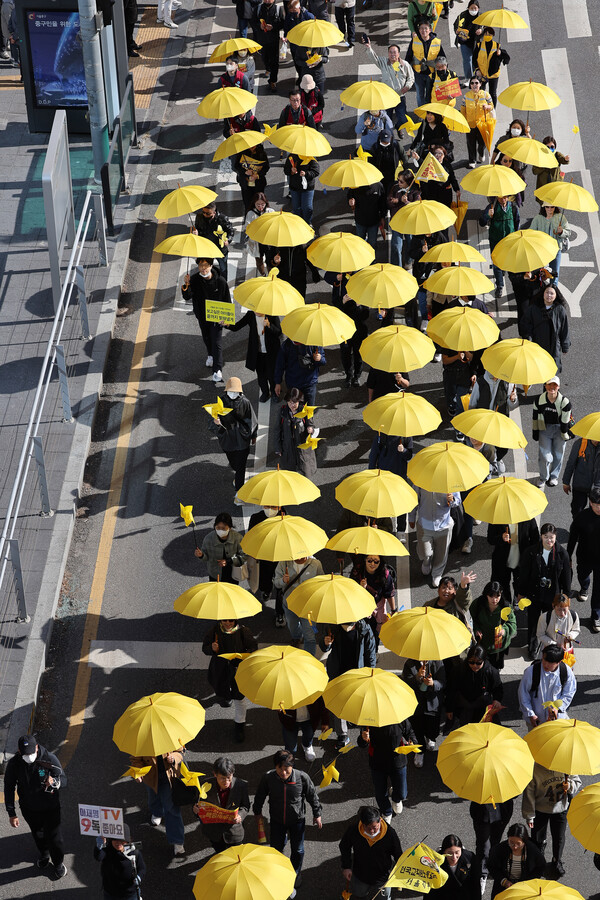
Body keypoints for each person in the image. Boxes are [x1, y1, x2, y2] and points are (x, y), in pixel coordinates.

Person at [252, 749, 322, 892]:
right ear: (275, 767)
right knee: (276, 850)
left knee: (298, 850)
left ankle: (295, 873)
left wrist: (317, 814)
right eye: (280, 769)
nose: (283, 773)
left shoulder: (302, 778)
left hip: (297, 820)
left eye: (287, 769)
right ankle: (278, 873)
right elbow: (260, 795)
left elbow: (312, 796)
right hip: (277, 820)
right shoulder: (268, 778)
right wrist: (257, 811)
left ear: (292, 766)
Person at [4, 735, 67, 878]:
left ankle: (58, 863)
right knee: (38, 834)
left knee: (54, 838)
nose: (29, 756)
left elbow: (63, 779)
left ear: (37, 747)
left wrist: (54, 783)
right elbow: (8, 787)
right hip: (29, 809)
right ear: (19, 751)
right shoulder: (14, 764)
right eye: (25, 754)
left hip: (50, 808)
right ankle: (44, 855)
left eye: (31, 752)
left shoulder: (49, 759)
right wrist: (11, 813)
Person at [320, 620, 377, 748]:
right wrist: (326, 643)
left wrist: (371, 672)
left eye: (350, 627)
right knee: (339, 702)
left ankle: (363, 727)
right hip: (338, 672)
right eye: (344, 626)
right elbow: (324, 645)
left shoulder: (365, 629)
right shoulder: (332, 626)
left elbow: (370, 652)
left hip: (359, 673)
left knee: (360, 701)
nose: (347, 629)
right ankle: (342, 734)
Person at [518, 523, 572, 655]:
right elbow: (523, 574)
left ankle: (549, 644)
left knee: (550, 620)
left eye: (551, 537)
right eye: (545, 537)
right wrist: (521, 592)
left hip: (553, 594)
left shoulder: (562, 553)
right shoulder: (531, 552)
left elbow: (567, 576)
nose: (549, 540)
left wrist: (566, 596)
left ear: (556, 537)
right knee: (533, 619)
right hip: (534, 592)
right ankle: (532, 644)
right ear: (541, 537)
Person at [202, 619, 258, 741]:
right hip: (221, 669)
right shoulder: (214, 630)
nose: (227, 623)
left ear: (235, 620)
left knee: (239, 697)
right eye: (224, 621)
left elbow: (253, 646)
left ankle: (240, 724)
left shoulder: (243, 631)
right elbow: (205, 648)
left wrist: (244, 655)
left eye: (231, 621)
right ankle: (226, 696)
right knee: (221, 688)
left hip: (238, 668)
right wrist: (212, 648)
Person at [523, 763, 581, 880]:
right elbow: (529, 793)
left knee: (559, 837)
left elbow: (577, 781)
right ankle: (539, 860)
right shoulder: (535, 769)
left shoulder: (566, 765)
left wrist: (569, 786)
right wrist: (529, 815)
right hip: (540, 809)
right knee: (538, 838)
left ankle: (556, 860)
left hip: (560, 809)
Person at [181, 257, 232, 383]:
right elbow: (187, 297)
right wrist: (186, 285)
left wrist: (227, 318)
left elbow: (227, 300)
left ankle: (217, 370)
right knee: (207, 338)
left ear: (211, 266)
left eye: (205, 265)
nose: (203, 268)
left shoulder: (220, 281)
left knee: (217, 342)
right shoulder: (194, 280)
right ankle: (210, 355)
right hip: (202, 316)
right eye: (200, 266)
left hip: (216, 317)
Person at [358, 721, 417, 820]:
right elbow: (361, 743)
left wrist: (413, 741)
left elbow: (410, 732)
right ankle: (386, 811)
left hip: (397, 761)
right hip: (378, 762)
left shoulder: (400, 719)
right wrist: (363, 738)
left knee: (402, 793)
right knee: (380, 792)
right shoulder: (369, 721)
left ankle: (396, 799)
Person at [340, 806, 402, 900]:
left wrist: (399, 871)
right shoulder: (354, 830)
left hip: (382, 876)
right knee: (359, 894)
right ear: (362, 823)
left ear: (380, 821)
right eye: (368, 828)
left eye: (375, 827)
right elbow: (344, 846)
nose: (372, 831)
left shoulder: (390, 834)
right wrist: (346, 867)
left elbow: (398, 853)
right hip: (360, 873)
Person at [208, 376, 258, 493]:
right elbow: (212, 423)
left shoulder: (245, 402)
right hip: (227, 440)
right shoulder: (220, 402)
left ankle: (239, 493)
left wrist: (253, 435)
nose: (233, 393)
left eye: (235, 391)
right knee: (234, 464)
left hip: (242, 440)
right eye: (231, 391)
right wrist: (216, 423)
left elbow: (252, 420)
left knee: (240, 468)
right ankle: (238, 478)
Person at [130, 751, 185, 856]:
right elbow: (135, 758)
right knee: (153, 797)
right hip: (150, 777)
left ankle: (177, 841)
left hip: (168, 776)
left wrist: (174, 758)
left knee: (172, 808)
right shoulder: (141, 738)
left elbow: (180, 751)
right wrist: (137, 772)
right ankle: (157, 812)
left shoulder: (170, 734)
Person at [225, 307, 281, 403]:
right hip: (258, 352)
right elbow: (236, 326)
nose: (256, 311)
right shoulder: (250, 315)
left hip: (271, 353)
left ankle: (274, 393)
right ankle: (265, 393)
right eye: (254, 308)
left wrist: (269, 325)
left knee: (271, 374)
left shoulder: (272, 316)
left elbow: (278, 332)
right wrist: (227, 325)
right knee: (261, 375)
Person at [409, 488, 462, 587]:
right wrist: (411, 517)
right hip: (424, 525)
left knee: (442, 553)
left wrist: (452, 500)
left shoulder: (450, 482)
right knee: (426, 552)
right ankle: (426, 561)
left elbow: (458, 501)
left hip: (444, 525)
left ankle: (437, 574)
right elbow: (414, 498)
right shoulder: (421, 479)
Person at [194, 757, 250, 851]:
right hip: (214, 833)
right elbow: (197, 804)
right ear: (215, 774)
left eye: (229, 778)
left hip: (234, 832)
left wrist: (240, 816)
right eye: (222, 778)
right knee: (220, 854)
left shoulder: (240, 786)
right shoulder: (204, 785)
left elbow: (245, 806)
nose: (226, 782)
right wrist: (195, 810)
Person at [273, 554, 324, 655]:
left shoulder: (315, 564)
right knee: (293, 626)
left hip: (309, 607)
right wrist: (283, 580)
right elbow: (276, 582)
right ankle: (296, 638)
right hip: (289, 605)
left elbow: (322, 581)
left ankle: (309, 661)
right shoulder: (283, 563)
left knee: (310, 636)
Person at [518, 644, 577, 728]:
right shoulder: (531, 671)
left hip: (557, 719)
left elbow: (569, 693)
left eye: (550, 662)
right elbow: (523, 694)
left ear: (559, 662)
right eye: (544, 660)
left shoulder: (566, 672)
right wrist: (530, 714)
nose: (546, 664)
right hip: (536, 720)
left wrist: (558, 708)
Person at [402, 658, 445, 768]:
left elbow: (442, 682)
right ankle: (420, 751)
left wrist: (433, 683)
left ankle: (431, 737)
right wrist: (417, 677)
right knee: (417, 728)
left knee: (433, 728)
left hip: (433, 703)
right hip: (416, 703)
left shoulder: (437, 662)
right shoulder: (410, 664)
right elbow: (405, 682)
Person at [567, 485, 600, 628]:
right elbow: (573, 538)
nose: (599, 508)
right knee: (582, 576)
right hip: (584, 557)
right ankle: (584, 587)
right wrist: (568, 557)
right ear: (590, 502)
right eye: (597, 504)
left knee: (599, 590)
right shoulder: (582, 517)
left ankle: (596, 615)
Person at [487, 517, 539, 606]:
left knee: (520, 582)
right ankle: (506, 604)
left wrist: (531, 556)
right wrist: (501, 538)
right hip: (502, 560)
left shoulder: (527, 518)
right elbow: (490, 539)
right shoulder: (497, 518)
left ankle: (517, 598)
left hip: (521, 559)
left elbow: (535, 538)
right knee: (503, 584)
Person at [532, 376, 573, 488]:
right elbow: (535, 417)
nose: (552, 387)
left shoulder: (565, 403)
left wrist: (564, 433)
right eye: (549, 384)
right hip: (544, 429)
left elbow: (565, 421)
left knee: (558, 455)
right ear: (545, 386)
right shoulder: (539, 400)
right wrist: (535, 432)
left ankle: (554, 476)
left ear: (558, 387)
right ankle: (543, 477)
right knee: (544, 456)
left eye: (554, 385)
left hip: (560, 429)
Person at [363, 40, 414, 129]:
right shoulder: (383, 63)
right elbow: (374, 58)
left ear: (399, 54)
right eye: (390, 52)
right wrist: (368, 47)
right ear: (388, 54)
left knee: (403, 119)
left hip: (400, 97)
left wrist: (407, 86)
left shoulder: (405, 65)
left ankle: (399, 128)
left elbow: (411, 78)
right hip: (387, 97)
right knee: (386, 118)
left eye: (394, 52)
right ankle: (388, 132)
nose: (392, 54)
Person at [329, 273, 369, 387]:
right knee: (345, 353)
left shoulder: (363, 294)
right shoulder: (339, 288)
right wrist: (343, 302)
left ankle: (357, 376)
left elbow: (365, 315)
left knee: (358, 354)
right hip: (344, 329)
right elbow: (335, 308)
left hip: (359, 330)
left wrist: (358, 305)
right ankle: (348, 375)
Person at [448, 647, 503, 726]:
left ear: (483, 661)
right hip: (465, 707)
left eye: (478, 663)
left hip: (483, 707)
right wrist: (449, 709)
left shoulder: (491, 671)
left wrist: (497, 700)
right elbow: (451, 689)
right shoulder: (459, 670)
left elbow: (498, 688)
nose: (474, 665)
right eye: (471, 662)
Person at [368, 435, 413, 532]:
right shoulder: (380, 435)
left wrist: (403, 451)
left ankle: (401, 531)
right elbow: (373, 455)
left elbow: (409, 455)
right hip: (384, 477)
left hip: (400, 477)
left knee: (401, 504)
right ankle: (384, 529)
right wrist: (371, 474)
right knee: (382, 503)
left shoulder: (406, 436)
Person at [521, 285, 570, 373]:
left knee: (551, 371)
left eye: (552, 293)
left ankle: (547, 387)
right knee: (537, 368)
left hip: (554, 345)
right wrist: (528, 338)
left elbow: (564, 329)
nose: (549, 295)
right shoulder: (534, 308)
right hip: (537, 343)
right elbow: (526, 324)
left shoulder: (560, 310)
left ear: (556, 295)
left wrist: (565, 346)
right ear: (543, 294)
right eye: (547, 292)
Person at [469, 799, 513, 895]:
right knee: (483, 846)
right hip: (482, 815)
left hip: (501, 814)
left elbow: (515, 795)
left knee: (495, 844)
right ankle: (482, 874)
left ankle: (492, 867)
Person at [470, 581, 516, 670]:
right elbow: (470, 619)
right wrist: (476, 629)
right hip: (482, 644)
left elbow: (513, 624)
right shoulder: (478, 604)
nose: (494, 600)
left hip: (499, 647)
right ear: (486, 595)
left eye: (497, 596)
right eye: (491, 596)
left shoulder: (506, 607)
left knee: (496, 668)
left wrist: (505, 630)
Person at [350, 554, 396, 642]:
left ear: (380, 562)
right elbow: (351, 592)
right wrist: (361, 587)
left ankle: (375, 647)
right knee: (362, 629)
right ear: (365, 560)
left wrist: (393, 610)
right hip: (362, 604)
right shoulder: (358, 572)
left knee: (378, 630)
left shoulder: (385, 574)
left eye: (376, 561)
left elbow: (389, 594)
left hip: (378, 605)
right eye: (369, 561)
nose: (372, 564)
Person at [274, 387, 318, 476]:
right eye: (289, 402)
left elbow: (311, 424)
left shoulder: (305, 411)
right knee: (290, 475)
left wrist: (310, 428)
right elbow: (277, 430)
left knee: (306, 472)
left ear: (299, 401)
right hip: (288, 447)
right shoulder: (282, 411)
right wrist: (278, 448)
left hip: (303, 448)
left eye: (294, 402)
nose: (292, 405)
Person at [94, 823, 146, 898]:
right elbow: (98, 857)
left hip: (129, 894)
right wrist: (99, 847)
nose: (118, 843)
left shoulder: (134, 852)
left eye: (122, 840)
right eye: (115, 839)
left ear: (128, 840)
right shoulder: (107, 850)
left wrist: (139, 877)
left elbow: (142, 868)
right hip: (110, 893)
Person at [483, 195, 519, 299]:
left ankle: (515, 285)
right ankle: (500, 285)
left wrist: (516, 237)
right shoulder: (491, 207)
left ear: (508, 198)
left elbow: (517, 222)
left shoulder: (513, 207)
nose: (503, 200)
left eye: (505, 197)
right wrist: (487, 216)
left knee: (511, 263)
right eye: (500, 197)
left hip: (509, 241)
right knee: (497, 263)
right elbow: (482, 222)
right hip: (495, 240)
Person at [194, 512, 247, 582]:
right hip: (215, 575)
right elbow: (205, 557)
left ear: (230, 528)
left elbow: (244, 555)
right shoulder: (208, 539)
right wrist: (201, 555)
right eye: (218, 527)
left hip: (233, 574)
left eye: (223, 528)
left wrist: (230, 561)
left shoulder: (238, 538)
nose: (220, 530)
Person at [405, 17, 445, 107]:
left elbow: (443, 57)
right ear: (419, 30)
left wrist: (443, 70)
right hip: (418, 73)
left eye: (426, 28)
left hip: (431, 73)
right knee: (420, 95)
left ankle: (429, 113)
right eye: (421, 29)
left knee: (430, 95)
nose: (423, 31)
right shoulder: (414, 41)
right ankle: (421, 114)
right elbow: (408, 56)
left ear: (430, 30)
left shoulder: (437, 42)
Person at [274, 338, 326, 406]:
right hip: (293, 383)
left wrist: (320, 359)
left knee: (309, 410)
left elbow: (323, 361)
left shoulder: (315, 343)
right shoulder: (286, 345)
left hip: (309, 383)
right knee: (294, 409)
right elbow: (280, 365)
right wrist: (277, 382)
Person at [278, 697, 329, 762]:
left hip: (309, 720)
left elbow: (322, 704)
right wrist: (277, 707)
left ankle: (307, 745)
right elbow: (276, 699)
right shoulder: (284, 689)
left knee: (309, 735)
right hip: (289, 720)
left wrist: (325, 722)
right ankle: (289, 764)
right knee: (290, 748)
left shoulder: (313, 688)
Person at [459, 74, 494, 166]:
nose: (474, 85)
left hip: (482, 124)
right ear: (470, 85)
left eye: (476, 83)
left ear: (480, 84)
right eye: (472, 83)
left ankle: (481, 152)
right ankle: (472, 160)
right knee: (470, 143)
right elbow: (463, 110)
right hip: (470, 124)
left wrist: (487, 106)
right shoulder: (466, 96)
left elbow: (492, 106)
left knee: (482, 143)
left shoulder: (486, 95)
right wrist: (462, 124)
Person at [387, 170, 421, 266]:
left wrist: (407, 203)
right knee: (396, 246)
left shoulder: (415, 190)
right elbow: (388, 202)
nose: (398, 183)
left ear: (408, 182)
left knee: (410, 243)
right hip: (397, 221)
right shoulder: (394, 188)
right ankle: (396, 266)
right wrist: (398, 200)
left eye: (401, 181)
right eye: (398, 180)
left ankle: (409, 261)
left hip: (409, 221)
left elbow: (417, 204)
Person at [562, 436, 600, 518]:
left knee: (596, 515)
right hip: (580, 484)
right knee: (577, 511)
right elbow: (571, 464)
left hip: (597, 488)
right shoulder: (580, 443)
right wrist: (566, 482)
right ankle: (577, 529)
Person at [194, 203, 235, 278]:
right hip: (206, 248)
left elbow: (230, 231)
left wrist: (228, 240)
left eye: (208, 213)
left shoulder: (222, 218)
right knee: (205, 268)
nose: (205, 215)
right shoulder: (199, 217)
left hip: (220, 248)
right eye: (203, 212)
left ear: (214, 212)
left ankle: (223, 283)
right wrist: (195, 232)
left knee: (223, 269)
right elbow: (197, 228)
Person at [529, 204, 570, 278]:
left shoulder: (561, 217)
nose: (549, 209)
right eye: (547, 207)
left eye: (552, 207)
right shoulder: (538, 218)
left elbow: (568, 232)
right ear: (544, 207)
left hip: (556, 249)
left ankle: (553, 288)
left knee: (555, 274)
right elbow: (531, 232)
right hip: (541, 249)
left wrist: (561, 231)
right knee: (539, 272)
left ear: (555, 207)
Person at [472, 27, 509, 107]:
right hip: (481, 74)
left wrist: (500, 54)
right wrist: (477, 70)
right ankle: (480, 108)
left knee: (492, 93)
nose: (487, 35)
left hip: (493, 74)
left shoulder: (497, 46)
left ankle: (493, 110)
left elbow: (506, 59)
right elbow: (474, 59)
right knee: (480, 92)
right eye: (485, 34)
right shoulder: (479, 46)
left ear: (493, 35)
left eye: (489, 34)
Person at [437, 834, 482, 900]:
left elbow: (475, 884)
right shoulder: (436, 861)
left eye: (457, 852)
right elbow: (432, 890)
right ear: (444, 851)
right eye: (450, 853)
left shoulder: (470, 858)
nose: (454, 857)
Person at [254, 0, 284, 92]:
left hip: (273, 41)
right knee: (264, 58)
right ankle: (267, 68)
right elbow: (253, 21)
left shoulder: (278, 9)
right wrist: (259, 26)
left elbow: (282, 23)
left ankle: (273, 81)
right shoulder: (258, 9)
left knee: (274, 61)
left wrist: (273, 27)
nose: (267, 0)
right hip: (262, 40)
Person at [348, 180, 387, 249]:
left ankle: (372, 259)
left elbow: (383, 203)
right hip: (360, 221)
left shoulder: (379, 186)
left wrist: (383, 217)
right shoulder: (355, 186)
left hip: (373, 221)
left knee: (372, 244)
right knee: (360, 244)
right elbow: (349, 197)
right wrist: (350, 202)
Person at [283, 152, 319, 225]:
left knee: (307, 208)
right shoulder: (291, 157)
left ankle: (307, 223)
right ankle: (298, 224)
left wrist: (306, 174)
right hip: (295, 187)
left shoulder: (311, 158)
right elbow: (286, 170)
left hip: (308, 188)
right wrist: (291, 171)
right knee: (296, 208)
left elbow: (316, 171)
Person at [232, 142, 270, 211]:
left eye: (253, 145)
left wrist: (257, 175)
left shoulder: (261, 153)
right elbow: (236, 166)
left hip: (259, 184)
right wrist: (245, 172)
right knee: (248, 205)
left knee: (259, 204)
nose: (252, 146)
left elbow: (266, 167)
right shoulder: (242, 153)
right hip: (246, 184)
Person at [371, 130, 408, 196]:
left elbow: (404, 157)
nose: (385, 143)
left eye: (387, 141)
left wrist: (405, 171)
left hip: (393, 172)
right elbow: (371, 161)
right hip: (380, 173)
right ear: (379, 138)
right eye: (383, 141)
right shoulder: (375, 147)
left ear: (391, 138)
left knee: (392, 189)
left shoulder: (396, 145)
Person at [454, 1, 482, 84]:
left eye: (475, 8)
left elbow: (486, 26)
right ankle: (469, 78)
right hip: (465, 42)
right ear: (468, 8)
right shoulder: (463, 15)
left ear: (478, 8)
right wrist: (457, 30)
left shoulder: (481, 16)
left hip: (476, 42)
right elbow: (456, 24)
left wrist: (481, 30)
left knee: (476, 60)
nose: (473, 10)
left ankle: (476, 75)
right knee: (467, 60)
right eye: (471, 8)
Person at [245, 191, 274, 275]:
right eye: (258, 204)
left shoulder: (270, 211)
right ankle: (263, 274)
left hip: (268, 241)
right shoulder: (251, 214)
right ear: (254, 203)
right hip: (256, 241)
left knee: (270, 260)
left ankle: (271, 275)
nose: (261, 207)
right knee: (259, 260)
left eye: (262, 204)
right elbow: (248, 228)